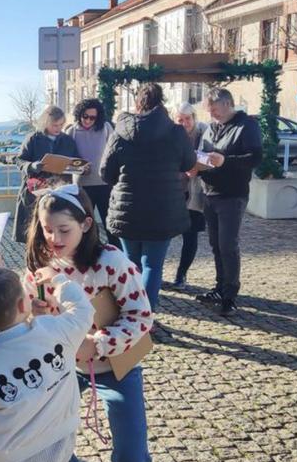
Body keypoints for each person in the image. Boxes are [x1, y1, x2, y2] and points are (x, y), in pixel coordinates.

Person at [23, 184, 154, 462]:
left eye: (63, 230)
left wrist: (97, 344)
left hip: (116, 366)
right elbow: (27, 314)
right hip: (61, 367)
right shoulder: (41, 261)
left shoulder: (112, 261)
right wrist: (35, 312)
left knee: (131, 459)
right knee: (44, 438)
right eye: (47, 229)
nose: (54, 238)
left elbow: (142, 317)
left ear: (86, 224)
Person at [0, 267, 94, 462]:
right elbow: (83, 310)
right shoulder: (54, 330)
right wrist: (58, 279)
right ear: (23, 304)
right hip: (57, 454)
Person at [100, 83, 196, 312]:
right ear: (161, 102)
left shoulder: (120, 132)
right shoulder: (175, 132)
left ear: (137, 103)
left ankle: (130, 313)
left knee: (131, 263)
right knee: (152, 264)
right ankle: (145, 315)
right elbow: (189, 163)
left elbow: (105, 172)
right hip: (163, 209)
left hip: (128, 209)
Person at [196, 88, 262, 316]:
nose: (211, 114)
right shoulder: (212, 127)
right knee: (216, 245)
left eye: (214, 110)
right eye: (209, 111)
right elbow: (204, 152)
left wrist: (225, 161)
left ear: (227, 104)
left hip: (232, 195)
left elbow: (255, 157)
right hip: (210, 193)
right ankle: (220, 287)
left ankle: (230, 295)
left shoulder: (247, 125)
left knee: (228, 245)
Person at [13, 105, 78, 243]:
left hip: (59, 192)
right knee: (34, 234)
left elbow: (75, 161)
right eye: (55, 125)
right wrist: (31, 165)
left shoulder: (67, 140)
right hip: (36, 191)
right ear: (45, 122)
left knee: (56, 233)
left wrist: (81, 168)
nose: (58, 128)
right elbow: (19, 160)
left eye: (61, 125)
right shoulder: (33, 139)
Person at [67, 98, 120, 248]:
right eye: (85, 116)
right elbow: (67, 160)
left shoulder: (106, 127)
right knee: (84, 223)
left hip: (105, 183)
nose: (88, 120)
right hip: (82, 186)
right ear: (79, 114)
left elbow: (115, 152)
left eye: (93, 117)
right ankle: (87, 253)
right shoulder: (72, 131)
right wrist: (79, 168)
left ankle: (116, 254)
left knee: (110, 222)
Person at [171, 103, 209, 289]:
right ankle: (154, 272)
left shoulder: (205, 134)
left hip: (196, 192)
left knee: (190, 235)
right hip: (174, 191)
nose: (185, 123)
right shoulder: (170, 136)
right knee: (163, 234)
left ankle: (181, 274)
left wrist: (199, 169)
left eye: (188, 118)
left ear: (194, 117)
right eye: (180, 119)